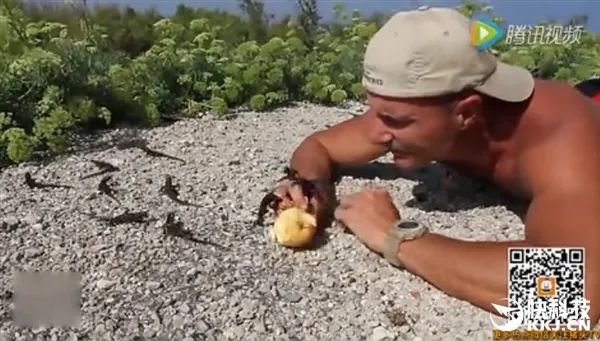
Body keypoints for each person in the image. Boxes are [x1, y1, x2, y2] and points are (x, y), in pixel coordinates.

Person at [272, 7, 600, 325]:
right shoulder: (426, 109)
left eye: (394, 120)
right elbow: (318, 145)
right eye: (375, 111)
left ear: (467, 114)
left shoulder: (559, 141)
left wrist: (395, 237)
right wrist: (311, 188)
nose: (375, 132)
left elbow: (575, 294)